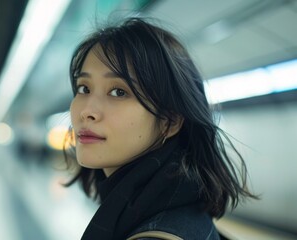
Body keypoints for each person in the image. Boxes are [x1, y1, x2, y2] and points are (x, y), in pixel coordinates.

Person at [63, 17, 257, 240]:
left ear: (170, 121)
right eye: (84, 88)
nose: (87, 110)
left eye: (118, 92)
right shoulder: (183, 211)